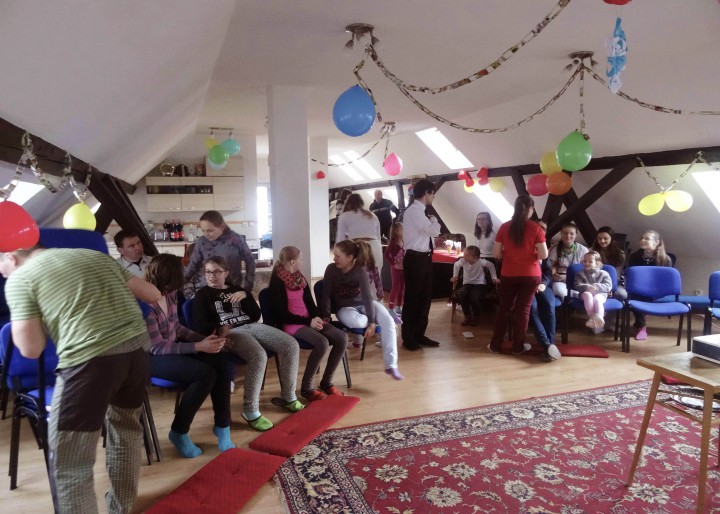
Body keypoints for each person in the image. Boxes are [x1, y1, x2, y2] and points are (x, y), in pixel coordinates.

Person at [1, 244, 161, 514]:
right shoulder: (95, 256)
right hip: (136, 352)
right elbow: (152, 293)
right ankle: (121, 508)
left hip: (91, 362)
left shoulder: (21, 278)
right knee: (125, 432)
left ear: (10, 256)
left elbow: (31, 349)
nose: (2, 272)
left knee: (71, 463)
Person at [192, 256, 303, 431]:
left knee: (291, 345)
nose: (212, 276)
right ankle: (250, 410)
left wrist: (246, 296)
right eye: (208, 272)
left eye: (217, 272)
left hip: (252, 326)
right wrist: (220, 328)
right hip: (230, 332)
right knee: (258, 356)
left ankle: (288, 397)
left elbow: (255, 315)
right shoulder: (203, 294)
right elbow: (199, 324)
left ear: (226, 273)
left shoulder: (237, 289)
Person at [144, 254, 235, 458]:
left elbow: (177, 327)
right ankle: (179, 432)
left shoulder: (169, 294)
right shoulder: (147, 305)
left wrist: (206, 340)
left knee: (220, 359)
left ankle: (222, 426)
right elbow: (157, 347)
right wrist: (198, 346)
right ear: (170, 275)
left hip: (170, 349)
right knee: (204, 374)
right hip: (150, 359)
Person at [269, 246, 347, 402]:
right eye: (301, 259)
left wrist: (317, 317)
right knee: (322, 342)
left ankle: (326, 383)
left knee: (341, 338)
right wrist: (308, 322)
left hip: (307, 320)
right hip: (291, 324)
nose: (302, 262)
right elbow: (282, 315)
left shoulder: (299, 277)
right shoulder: (277, 281)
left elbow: (310, 303)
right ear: (292, 262)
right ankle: (307, 388)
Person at [321, 240, 404, 380]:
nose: (334, 258)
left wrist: (372, 322)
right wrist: (326, 315)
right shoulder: (331, 269)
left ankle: (391, 365)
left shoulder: (360, 271)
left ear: (350, 257)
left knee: (388, 322)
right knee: (359, 323)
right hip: (345, 309)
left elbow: (367, 296)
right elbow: (326, 294)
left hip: (364, 305)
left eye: (338, 256)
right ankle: (373, 322)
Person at [488, 195, 548, 354]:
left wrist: (510, 254)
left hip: (509, 273)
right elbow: (544, 255)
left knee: (504, 309)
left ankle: (495, 345)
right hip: (531, 274)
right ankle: (518, 347)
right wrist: (530, 254)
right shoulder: (536, 229)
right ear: (530, 209)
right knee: (523, 311)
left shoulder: (504, 227)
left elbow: (496, 253)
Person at [401, 179, 442, 351]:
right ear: (426, 193)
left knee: (424, 299)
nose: (433, 197)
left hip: (424, 258)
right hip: (415, 259)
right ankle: (408, 338)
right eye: (432, 193)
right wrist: (434, 220)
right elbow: (434, 230)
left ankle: (419, 334)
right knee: (413, 299)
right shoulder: (414, 211)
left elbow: (426, 235)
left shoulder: (422, 212)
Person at [185, 210, 255, 294]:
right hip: (208, 288)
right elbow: (192, 266)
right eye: (203, 230)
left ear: (221, 227)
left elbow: (250, 261)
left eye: (210, 230)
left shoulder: (236, 239)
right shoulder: (201, 242)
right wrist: (179, 284)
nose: (206, 234)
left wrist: (248, 287)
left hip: (232, 288)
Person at [627, 230, 673, 340]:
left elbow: (666, 280)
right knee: (636, 294)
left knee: (641, 297)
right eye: (642, 238)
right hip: (639, 288)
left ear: (656, 242)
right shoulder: (634, 256)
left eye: (646, 239)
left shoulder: (665, 259)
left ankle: (640, 325)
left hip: (658, 290)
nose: (642, 240)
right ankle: (641, 325)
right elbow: (632, 275)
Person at [528, 220, 561, 362]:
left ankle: (551, 343)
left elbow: (547, 271)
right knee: (532, 308)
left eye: (543, 228)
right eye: (538, 227)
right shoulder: (524, 244)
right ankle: (547, 345)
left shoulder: (545, 247)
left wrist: (543, 284)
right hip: (527, 285)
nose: (540, 229)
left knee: (549, 305)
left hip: (542, 284)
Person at [450, 245, 499, 326]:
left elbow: (491, 265)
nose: (465, 257)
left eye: (468, 255)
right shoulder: (463, 261)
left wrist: (494, 278)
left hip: (480, 284)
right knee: (463, 295)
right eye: (464, 255)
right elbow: (456, 265)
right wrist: (455, 275)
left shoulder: (480, 262)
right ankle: (467, 317)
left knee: (474, 297)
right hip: (467, 283)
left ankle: (476, 317)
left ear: (475, 257)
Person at [336, 192, 384, 275]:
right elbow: (378, 236)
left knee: (357, 279)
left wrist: (338, 256)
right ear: (362, 203)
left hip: (359, 249)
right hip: (375, 247)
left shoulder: (344, 216)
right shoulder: (372, 215)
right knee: (375, 279)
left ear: (348, 203)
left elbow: (340, 240)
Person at [574, 251, 612, 334]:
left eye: (590, 261)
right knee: (588, 295)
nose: (587, 263)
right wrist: (587, 287)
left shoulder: (604, 273)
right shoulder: (579, 274)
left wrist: (596, 287)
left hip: (600, 294)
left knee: (597, 299)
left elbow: (608, 286)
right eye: (585, 261)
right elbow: (577, 285)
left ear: (597, 263)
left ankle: (599, 318)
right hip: (585, 293)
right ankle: (593, 320)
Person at [548, 222, 588, 300]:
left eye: (571, 233)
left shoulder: (583, 250)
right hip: (560, 280)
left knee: (582, 294)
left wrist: (568, 277)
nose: (568, 236)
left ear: (576, 235)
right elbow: (552, 266)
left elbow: (585, 269)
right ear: (561, 234)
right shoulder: (555, 248)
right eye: (565, 233)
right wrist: (554, 275)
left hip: (577, 280)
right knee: (562, 293)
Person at [590, 225, 627, 300]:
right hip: (595, 281)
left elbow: (617, 274)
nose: (602, 241)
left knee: (623, 294)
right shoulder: (592, 252)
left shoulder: (620, 254)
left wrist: (609, 287)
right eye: (600, 238)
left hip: (613, 282)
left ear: (611, 239)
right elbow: (589, 272)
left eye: (605, 238)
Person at [384, 222, 405, 315]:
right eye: (402, 229)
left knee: (401, 289)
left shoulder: (404, 241)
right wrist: (393, 264)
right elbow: (386, 255)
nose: (404, 231)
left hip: (403, 268)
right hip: (396, 269)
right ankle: (390, 308)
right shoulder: (393, 242)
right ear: (396, 231)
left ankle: (399, 307)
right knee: (395, 288)